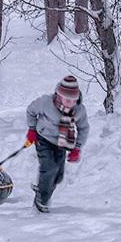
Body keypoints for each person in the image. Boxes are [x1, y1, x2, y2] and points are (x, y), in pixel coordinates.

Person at [24, 74, 89, 213]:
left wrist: (77, 148)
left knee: (58, 176)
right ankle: (41, 201)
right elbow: (31, 111)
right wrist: (32, 129)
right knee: (50, 168)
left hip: (62, 142)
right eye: (67, 100)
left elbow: (83, 128)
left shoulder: (79, 110)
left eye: (74, 100)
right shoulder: (45, 102)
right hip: (43, 138)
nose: (71, 103)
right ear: (59, 95)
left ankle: (42, 190)